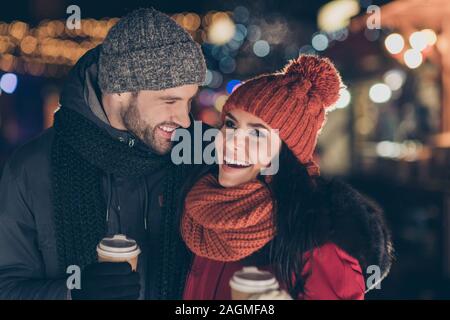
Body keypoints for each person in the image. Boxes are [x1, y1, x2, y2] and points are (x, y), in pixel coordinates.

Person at [0, 8, 207, 300]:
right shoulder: (31, 168)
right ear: (120, 90)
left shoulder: (197, 154)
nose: (185, 120)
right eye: (169, 100)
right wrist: (72, 293)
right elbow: (6, 286)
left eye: (188, 101)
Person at [181, 55, 394, 300]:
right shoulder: (199, 207)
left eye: (257, 134)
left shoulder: (319, 235)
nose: (233, 143)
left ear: (287, 154)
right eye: (231, 124)